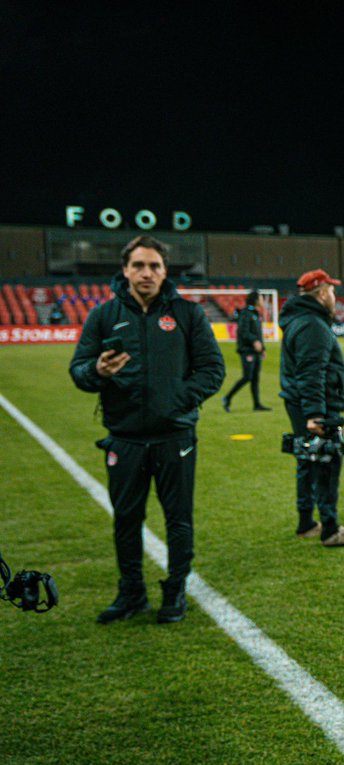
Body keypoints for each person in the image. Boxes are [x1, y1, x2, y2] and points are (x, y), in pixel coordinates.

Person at [69, 235, 225, 624]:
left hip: (175, 437)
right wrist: (97, 371)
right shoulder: (103, 316)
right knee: (126, 519)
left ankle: (175, 591)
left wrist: (178, 399)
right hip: (125, 439)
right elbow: (79, 370)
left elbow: (212, 369)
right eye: (138, 265)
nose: (146, 273)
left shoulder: (187, 314)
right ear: (124, 270)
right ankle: (131, 593)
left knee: (179, 519)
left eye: (154, 265)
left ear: (164, 271)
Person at [278, 269, 344, 547]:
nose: (334, 297)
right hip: (318, 408)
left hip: (301, 404)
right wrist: (315, 414)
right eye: (332, 291)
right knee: (327, 461)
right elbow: (311, 372)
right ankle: (330, 528)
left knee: (307, 460)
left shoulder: (299, 321)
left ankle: (306, 522)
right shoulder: (312, 325)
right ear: (322, 293)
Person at [223, 289, 270, 412]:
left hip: (255, 351)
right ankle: (227, 398)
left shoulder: (255, 314)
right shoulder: (246, 314)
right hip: (247, 350)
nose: (262, 300)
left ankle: (257, 405)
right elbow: (243, 331)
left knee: (255, 378)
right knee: (247, 376)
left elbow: (258, 334)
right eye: (260, 298)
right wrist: (254, 341)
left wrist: (262, 349)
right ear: (255, 300)